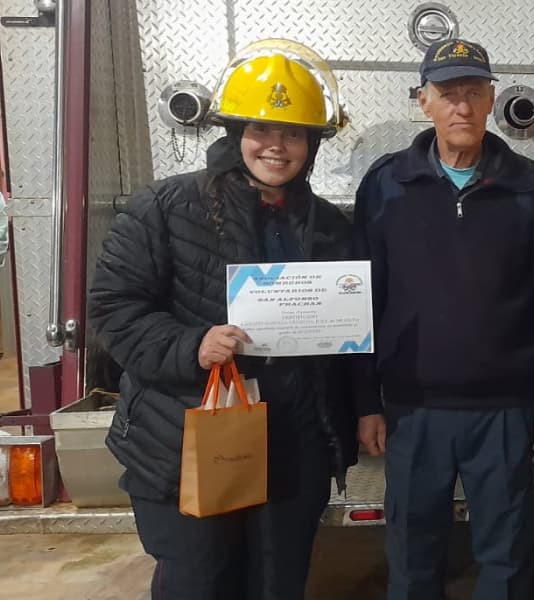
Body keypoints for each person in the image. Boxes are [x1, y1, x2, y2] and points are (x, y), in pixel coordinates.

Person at [89, 39, 357, 599]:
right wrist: (192, 345)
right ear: (234, 134)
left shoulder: (331, 226)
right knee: (199, 584)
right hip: (188, 439)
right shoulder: (163, 207)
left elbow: (347, 339)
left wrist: (358, 414)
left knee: (277, 585)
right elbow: (114, 308)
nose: (277, 147)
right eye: (261, 130)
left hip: (292, 446)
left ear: (312, 142)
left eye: (293, 133)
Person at [350, 38, 534, 600]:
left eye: (474, 92)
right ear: (423, 100)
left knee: (506, 559)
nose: (463, 107)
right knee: (412, 558)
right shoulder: (386, 185)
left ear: (492, 97)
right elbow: (362, 300)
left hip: (504, 412)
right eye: (449, 94)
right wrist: (365, 401)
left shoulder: (529, 185)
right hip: (412, 412)